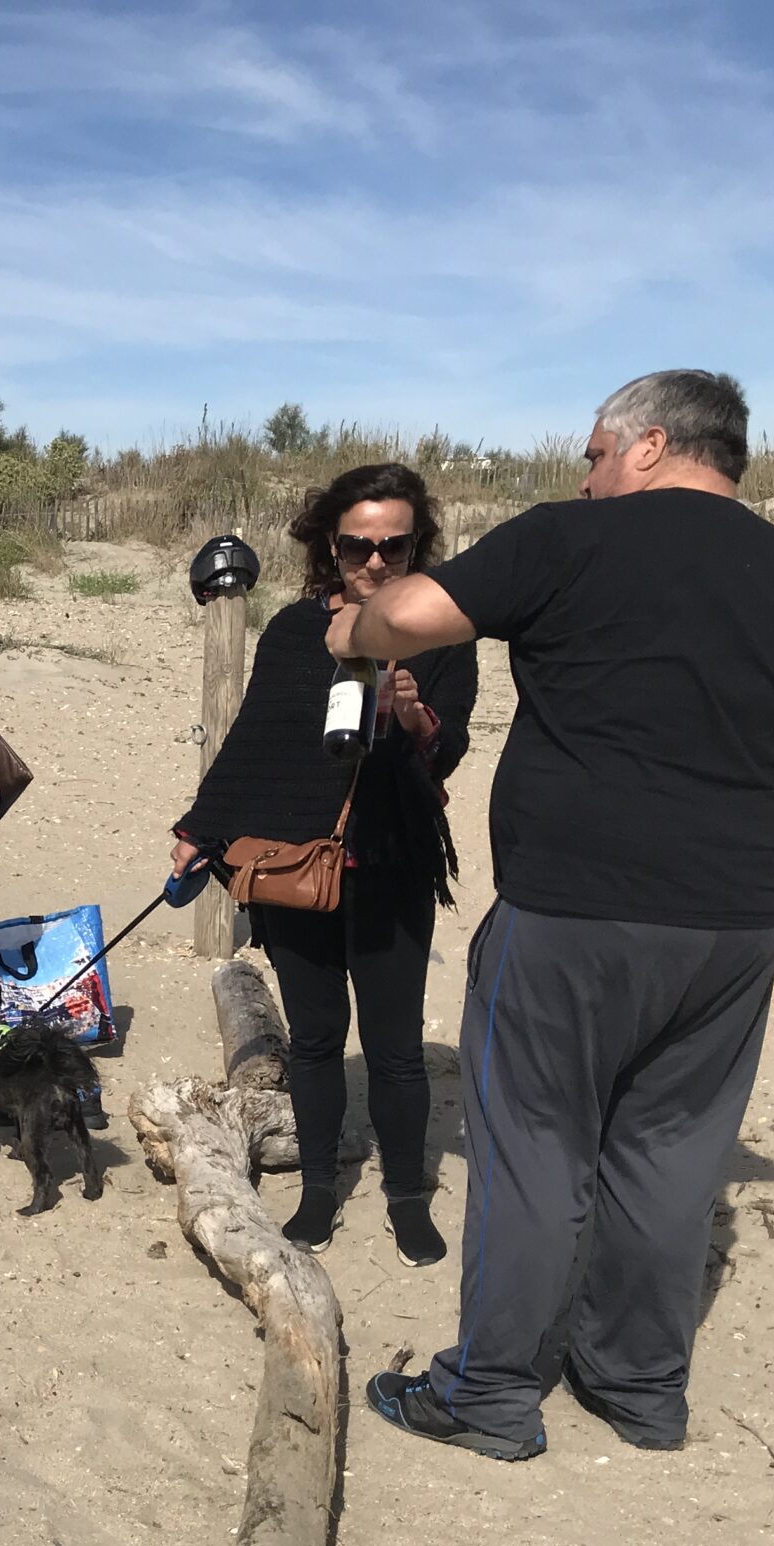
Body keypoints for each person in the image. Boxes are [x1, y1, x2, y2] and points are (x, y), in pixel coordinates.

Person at [335, 370, 774, 1461]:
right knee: (673, 1152)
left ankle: (489, 1397)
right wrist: (715, 787)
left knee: (533, 1144)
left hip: (575, 905)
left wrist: (354, 627)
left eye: (590, 453)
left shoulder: (569, 542)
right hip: (736, 916)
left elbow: (411, 617)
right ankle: (637, 1388)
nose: (582, 477)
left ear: (649, 444)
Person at [173, 463, 476, 1266]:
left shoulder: (442, 632)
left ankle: (407, 1195)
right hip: (291, 867)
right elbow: (253, 743)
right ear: (328, 547)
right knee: (312, 1041)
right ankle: (316, 1188)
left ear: (418, 545)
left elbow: (448, 756)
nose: (374, 562)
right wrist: (200, 828)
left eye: (394, 546)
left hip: (391, 859)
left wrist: (415, 719)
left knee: (395, 1046)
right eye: (356, 546)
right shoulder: (290, 632)